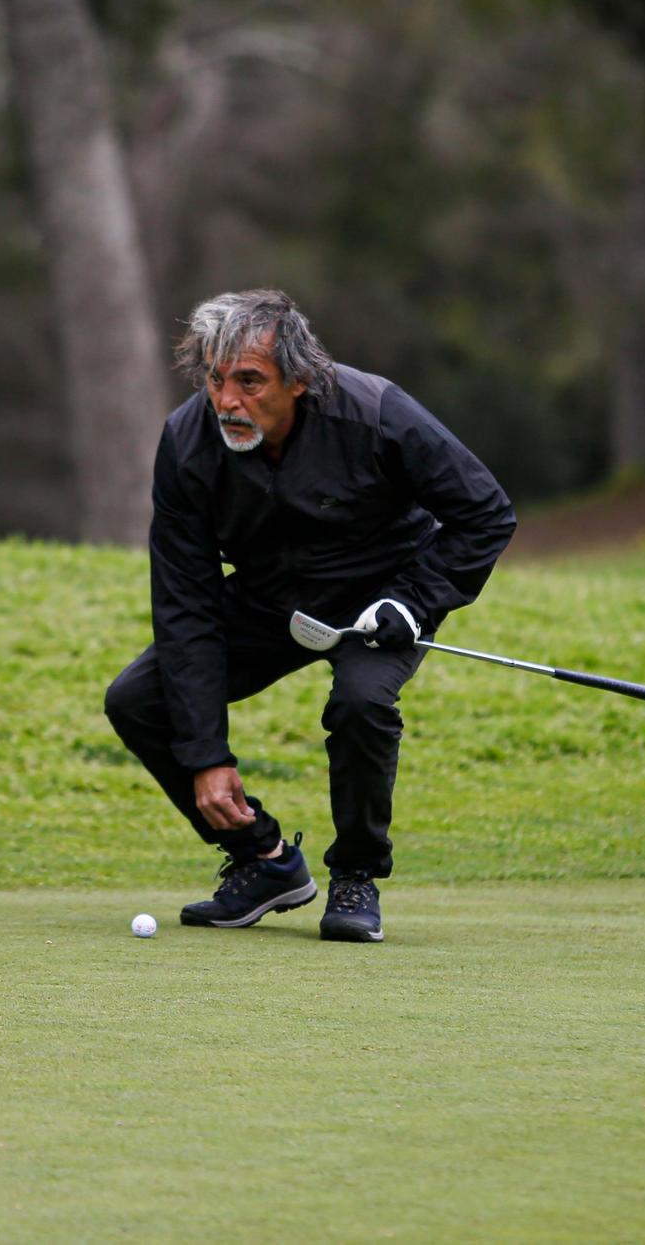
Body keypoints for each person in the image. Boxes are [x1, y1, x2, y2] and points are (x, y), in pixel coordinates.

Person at [104, 290, 516, 942]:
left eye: (249, 381)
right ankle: (262, 861)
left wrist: (416, 600)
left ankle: (355, 874)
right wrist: (205, 754)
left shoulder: (377, 412)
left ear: (299, 379)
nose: (227, 401)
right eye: (215, 379)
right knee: (137, 698)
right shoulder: (186, 444)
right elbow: (185, 603)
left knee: (361, 703)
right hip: (270, 600)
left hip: (383, 600)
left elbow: (486, 512)